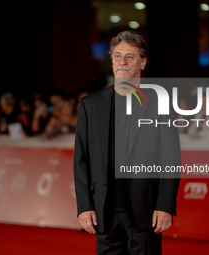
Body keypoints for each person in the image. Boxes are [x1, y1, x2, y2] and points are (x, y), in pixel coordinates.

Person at [74, 31, 181, 255]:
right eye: (117, 56)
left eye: (130, 57)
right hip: (104, 211)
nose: (122, 62)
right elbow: (81, 160)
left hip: (145, 212)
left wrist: (165, 205)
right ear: (111, 61)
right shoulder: (90, 106)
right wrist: (85, 206)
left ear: (143, 62)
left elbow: (170, 158)